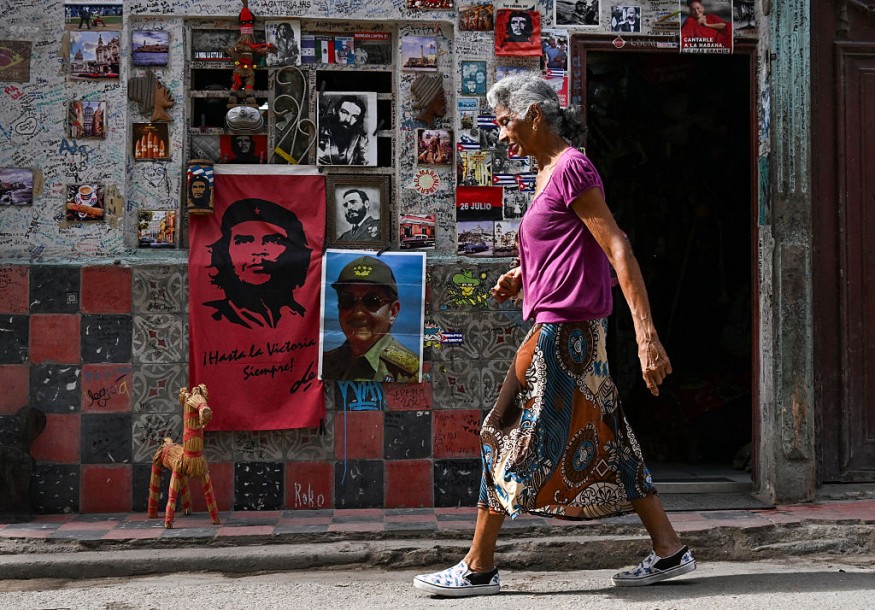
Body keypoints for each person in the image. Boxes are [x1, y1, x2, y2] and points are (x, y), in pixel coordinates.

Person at [413, 75, 694, 597]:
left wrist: (646, 334)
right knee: (614, 439)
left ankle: (478, 567)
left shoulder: (571, 168)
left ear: (535, 116)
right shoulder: (544, 172)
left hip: (565, 332)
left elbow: (616, 248)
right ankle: (670, 550)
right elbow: (563, 244)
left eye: (505, 123)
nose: (501, 136)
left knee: (501, 430)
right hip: (567, 326)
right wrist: (520, 276)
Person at [204, 198, 312, 329]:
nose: (258, 251)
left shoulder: (304, 316)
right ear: (225, 250)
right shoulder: (212, 316)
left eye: (273, 241)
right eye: (244, 241)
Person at [321, 255, 419, 382]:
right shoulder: (324, 364)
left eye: (372, 301)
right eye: (347, 300)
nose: (358, 313)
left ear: (393, 312)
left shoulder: (410, 375)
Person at [317, 95, 370, 165]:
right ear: (335, 111)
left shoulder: (360, 138)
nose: (348, 120)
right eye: (344, 112)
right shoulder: (319, 131)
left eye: (355, 116)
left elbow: (366, 163)